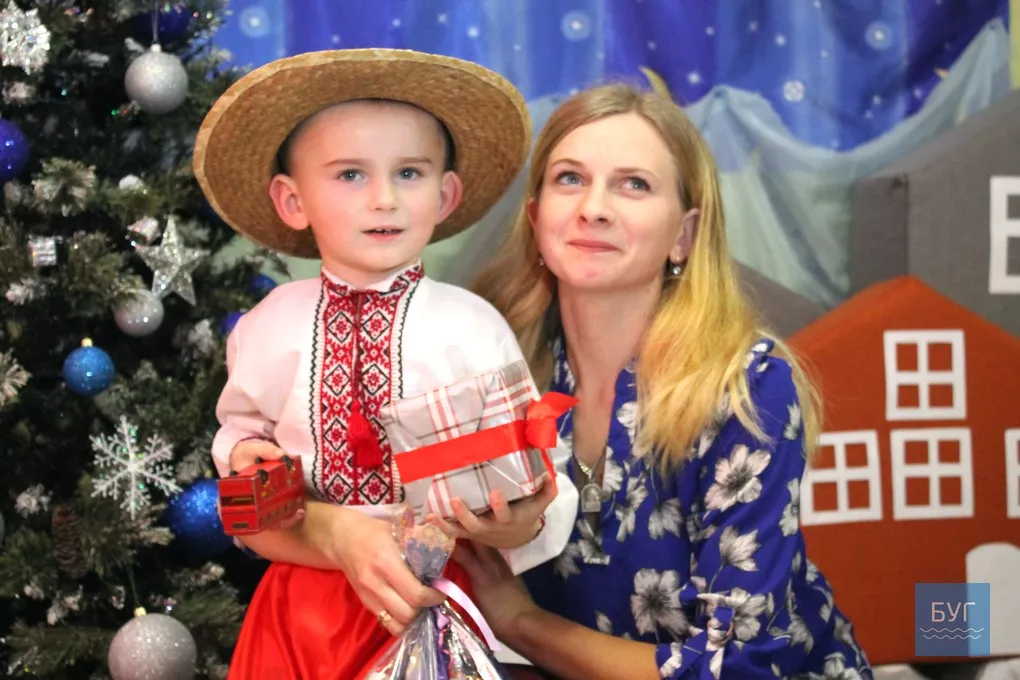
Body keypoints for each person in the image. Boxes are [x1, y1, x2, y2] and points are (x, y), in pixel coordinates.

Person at [453, 83, 874, 679]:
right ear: (535, 214)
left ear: (684, 234)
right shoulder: (491, 370)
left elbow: (732, 668)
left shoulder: (746, 388)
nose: (594, 208)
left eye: (634, 184)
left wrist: (522, 623)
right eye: (570, 178)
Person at [193, 48, 577, 679]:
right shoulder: (267, 326)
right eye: (350, 174)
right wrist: (244, 456)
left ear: (445, 194)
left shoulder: (471, 325)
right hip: (302, 603)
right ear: (292, 200)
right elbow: (241, 435)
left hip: (433, 600)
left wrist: (521, 519)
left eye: (409, 173)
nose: (384, 199)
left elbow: (536, 462)